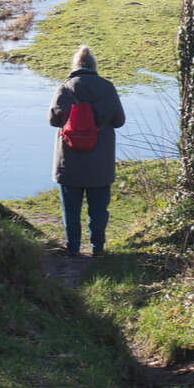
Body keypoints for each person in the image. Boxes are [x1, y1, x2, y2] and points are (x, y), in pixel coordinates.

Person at [48, 45, 125, 257]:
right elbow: (119, 121)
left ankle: (72, 248)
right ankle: (97, 249)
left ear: (75, 66)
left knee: (71, 211)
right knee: (98, 210)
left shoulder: (64, 89)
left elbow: (53, 120)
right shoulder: (107, 88)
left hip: (69, 162)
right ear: (94, 66)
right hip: (100, 163)